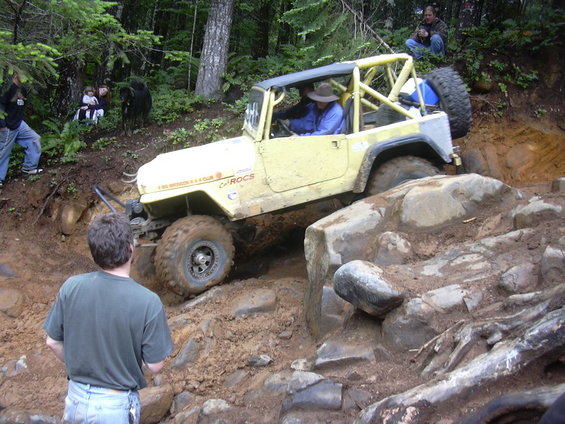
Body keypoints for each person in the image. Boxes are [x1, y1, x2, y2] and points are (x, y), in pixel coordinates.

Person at [43, 212, 173, 424]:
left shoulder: (71, 286)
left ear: (94, 251)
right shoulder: (148, 301)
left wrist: (81, 366)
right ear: (131, 249)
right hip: (114, 406)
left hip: (75, 399)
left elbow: (52, 342)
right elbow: (155, 365)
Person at [0, 72, 42, 189]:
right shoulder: (7, 88)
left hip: (19, 123)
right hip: (7, 125)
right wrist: (2, 124)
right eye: (22, 73)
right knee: (3, 152)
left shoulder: (22, 90)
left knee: (34, 139)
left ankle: (29, 168)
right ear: (15, 74)